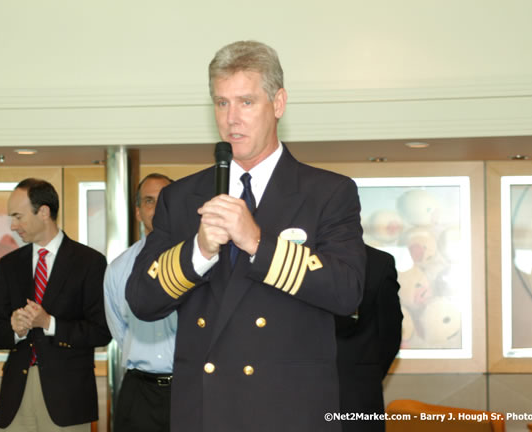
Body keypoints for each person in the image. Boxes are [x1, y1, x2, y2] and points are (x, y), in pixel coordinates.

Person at [126, 40, 366, 432]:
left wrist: (257, 242)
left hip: (289, 412)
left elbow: (346, 291)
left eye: (246, 102)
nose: (232, 119)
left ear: (279, 102)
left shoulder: (327, 192)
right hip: (205, 411)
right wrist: (199, 250)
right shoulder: (182, 197)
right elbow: (141, 299)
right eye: (221, 103)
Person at [0, 178, 111, 431]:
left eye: (18, 216)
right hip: (17, 396)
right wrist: (15, 330)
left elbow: (101, 331)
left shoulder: (89, 262)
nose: (13, 226)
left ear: (43, 212)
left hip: (67, 399)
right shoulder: (9, 265)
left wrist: (49, 323)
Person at [103, 173, 175, 432]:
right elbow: (121, 333)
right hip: (138, 392)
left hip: (189, 389)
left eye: (165, 199)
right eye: (148, 201)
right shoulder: (117, 269)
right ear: (138, 212)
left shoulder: (198, 261)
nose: (156, 208)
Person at [335, 245, 403, 432]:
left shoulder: (377, 262)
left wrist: (360, 378)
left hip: (355, 406)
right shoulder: (281, 258)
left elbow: (388, 338)